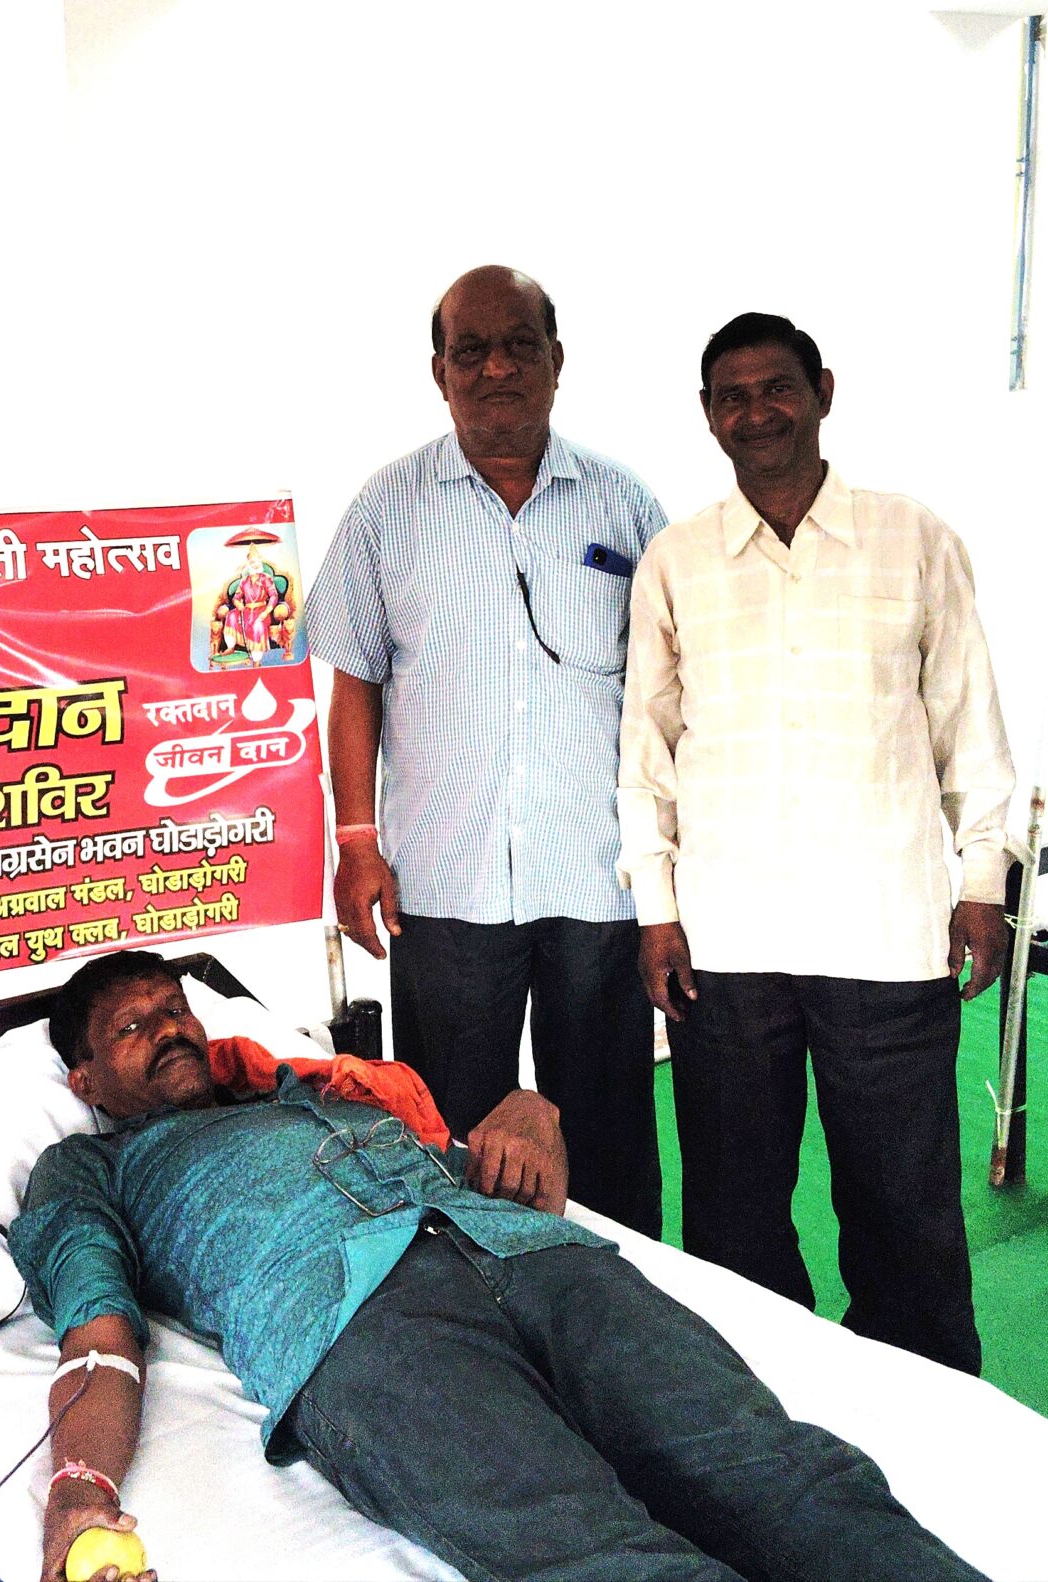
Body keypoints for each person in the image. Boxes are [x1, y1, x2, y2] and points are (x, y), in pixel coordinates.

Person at [10, 951, 988, 1582]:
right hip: (356, 1330)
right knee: (591, 1553)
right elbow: (99, 1331)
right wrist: (79, 1490)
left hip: (541, 1259)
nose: (171, 1028)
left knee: (789, 1478)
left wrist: (530, 1106)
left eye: (174, 1009)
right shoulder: (93, 1167)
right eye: (132, 1026)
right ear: (85, 1079)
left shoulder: (318, 1093)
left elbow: (481, 1150)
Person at [617, 313, 1015, 1376]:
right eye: (732, 398)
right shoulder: (677, 560)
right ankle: (761, 1407)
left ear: (822, 391)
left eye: (776, 388)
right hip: (727, 939)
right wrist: (655, 908)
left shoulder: (912, 537)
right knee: (733, 1207)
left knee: (902, 1209)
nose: (757, 413)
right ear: (708, 418)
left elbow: (969, 723)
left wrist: (983, 877)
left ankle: (928, 1410)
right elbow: (645, 749)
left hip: (884, 933)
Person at [304, 264, 666, 1238]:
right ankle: (470, 1294)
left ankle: (622, 1289)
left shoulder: (625, 506)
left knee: (607, 1129)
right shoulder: (386, 509)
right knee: (449, 1131)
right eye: (471, 351)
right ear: (440, 372)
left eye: (518, 346)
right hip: (445, 879)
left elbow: (670, 688)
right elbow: (353, 681)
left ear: (557, 360)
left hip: (598, 875)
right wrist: (355, 841)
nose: (496, 367)